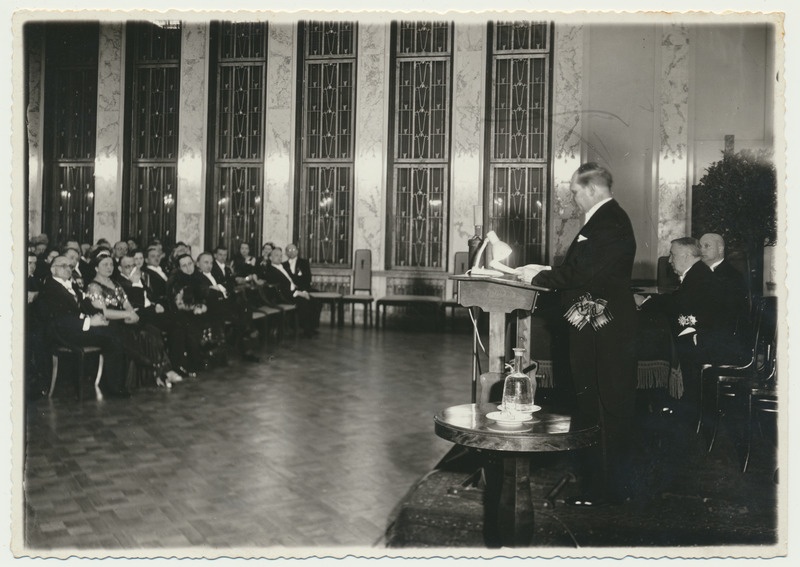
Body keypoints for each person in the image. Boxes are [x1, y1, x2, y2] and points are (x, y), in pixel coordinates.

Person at [518, 162, 637, 507]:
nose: (572, 198)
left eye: (574, 190)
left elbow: (582, 272)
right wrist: (542, 270)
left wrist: (536, 277)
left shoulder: (610, 221)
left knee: (605, 406)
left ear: (593, 189)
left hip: (605, 330)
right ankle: (595, 481)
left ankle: (606, 489)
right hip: (594, 326)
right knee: (593, 404)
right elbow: (583, 269)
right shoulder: (602, 220)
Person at [35, 255, 130, 398]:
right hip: (62, 333)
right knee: (111, 338)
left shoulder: (71, 285)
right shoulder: (50, 288)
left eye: (70, 266)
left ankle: (112, 384)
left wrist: (96, 316)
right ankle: (113, 387)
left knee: (114, 332)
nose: (68, 269)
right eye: (63, 266)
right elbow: (60, 319)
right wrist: (89, 322)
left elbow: (83, 306)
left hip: (76, 328)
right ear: (53, 269)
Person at [86, 254, 183, 389]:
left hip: (124, 319)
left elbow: (126, 303)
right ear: (96, 268)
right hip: (109, 323)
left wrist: (132, 314)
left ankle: (162, 371)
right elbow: (104, 312)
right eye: (105, 265)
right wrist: (126, 314)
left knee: (152, 331)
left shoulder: (115, 284)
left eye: (111, 264)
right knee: (140, 335)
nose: (109, 267)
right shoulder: (94, 287)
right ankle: (160, 371)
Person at [193, 252, 260, 363]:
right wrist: (219, 288)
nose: (209, 265)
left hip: (224, 305)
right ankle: (245, 341)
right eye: (205, 262)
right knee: (241, 317)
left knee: (245, 307)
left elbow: (229, 285)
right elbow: (205, 292)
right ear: (198, 264)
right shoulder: (197, 277)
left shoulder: (215, 274)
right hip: (212, 308)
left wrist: (218, 287)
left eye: (211, 262)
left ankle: (245, 340)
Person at [699, 232, 751, 356]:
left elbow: (728, 315)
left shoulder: (732, 276)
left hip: (724, 340)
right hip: (708, 331)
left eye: (707, 246)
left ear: (720, 249)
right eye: (700, 246)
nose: (702, 250)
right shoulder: (700, 272)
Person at [262, 246, 321, 338]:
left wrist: (302, 291)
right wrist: (299, 293)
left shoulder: (282, 267)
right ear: (270, 258)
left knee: (314, 301)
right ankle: (306, 330)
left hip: (293, 291)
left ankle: (311, 328)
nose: (279, 257)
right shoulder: (271, 271)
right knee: (304, 302)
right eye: (276, 255)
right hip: (284, 296)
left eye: (281, 256)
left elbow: (292, 280)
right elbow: (282, 288)